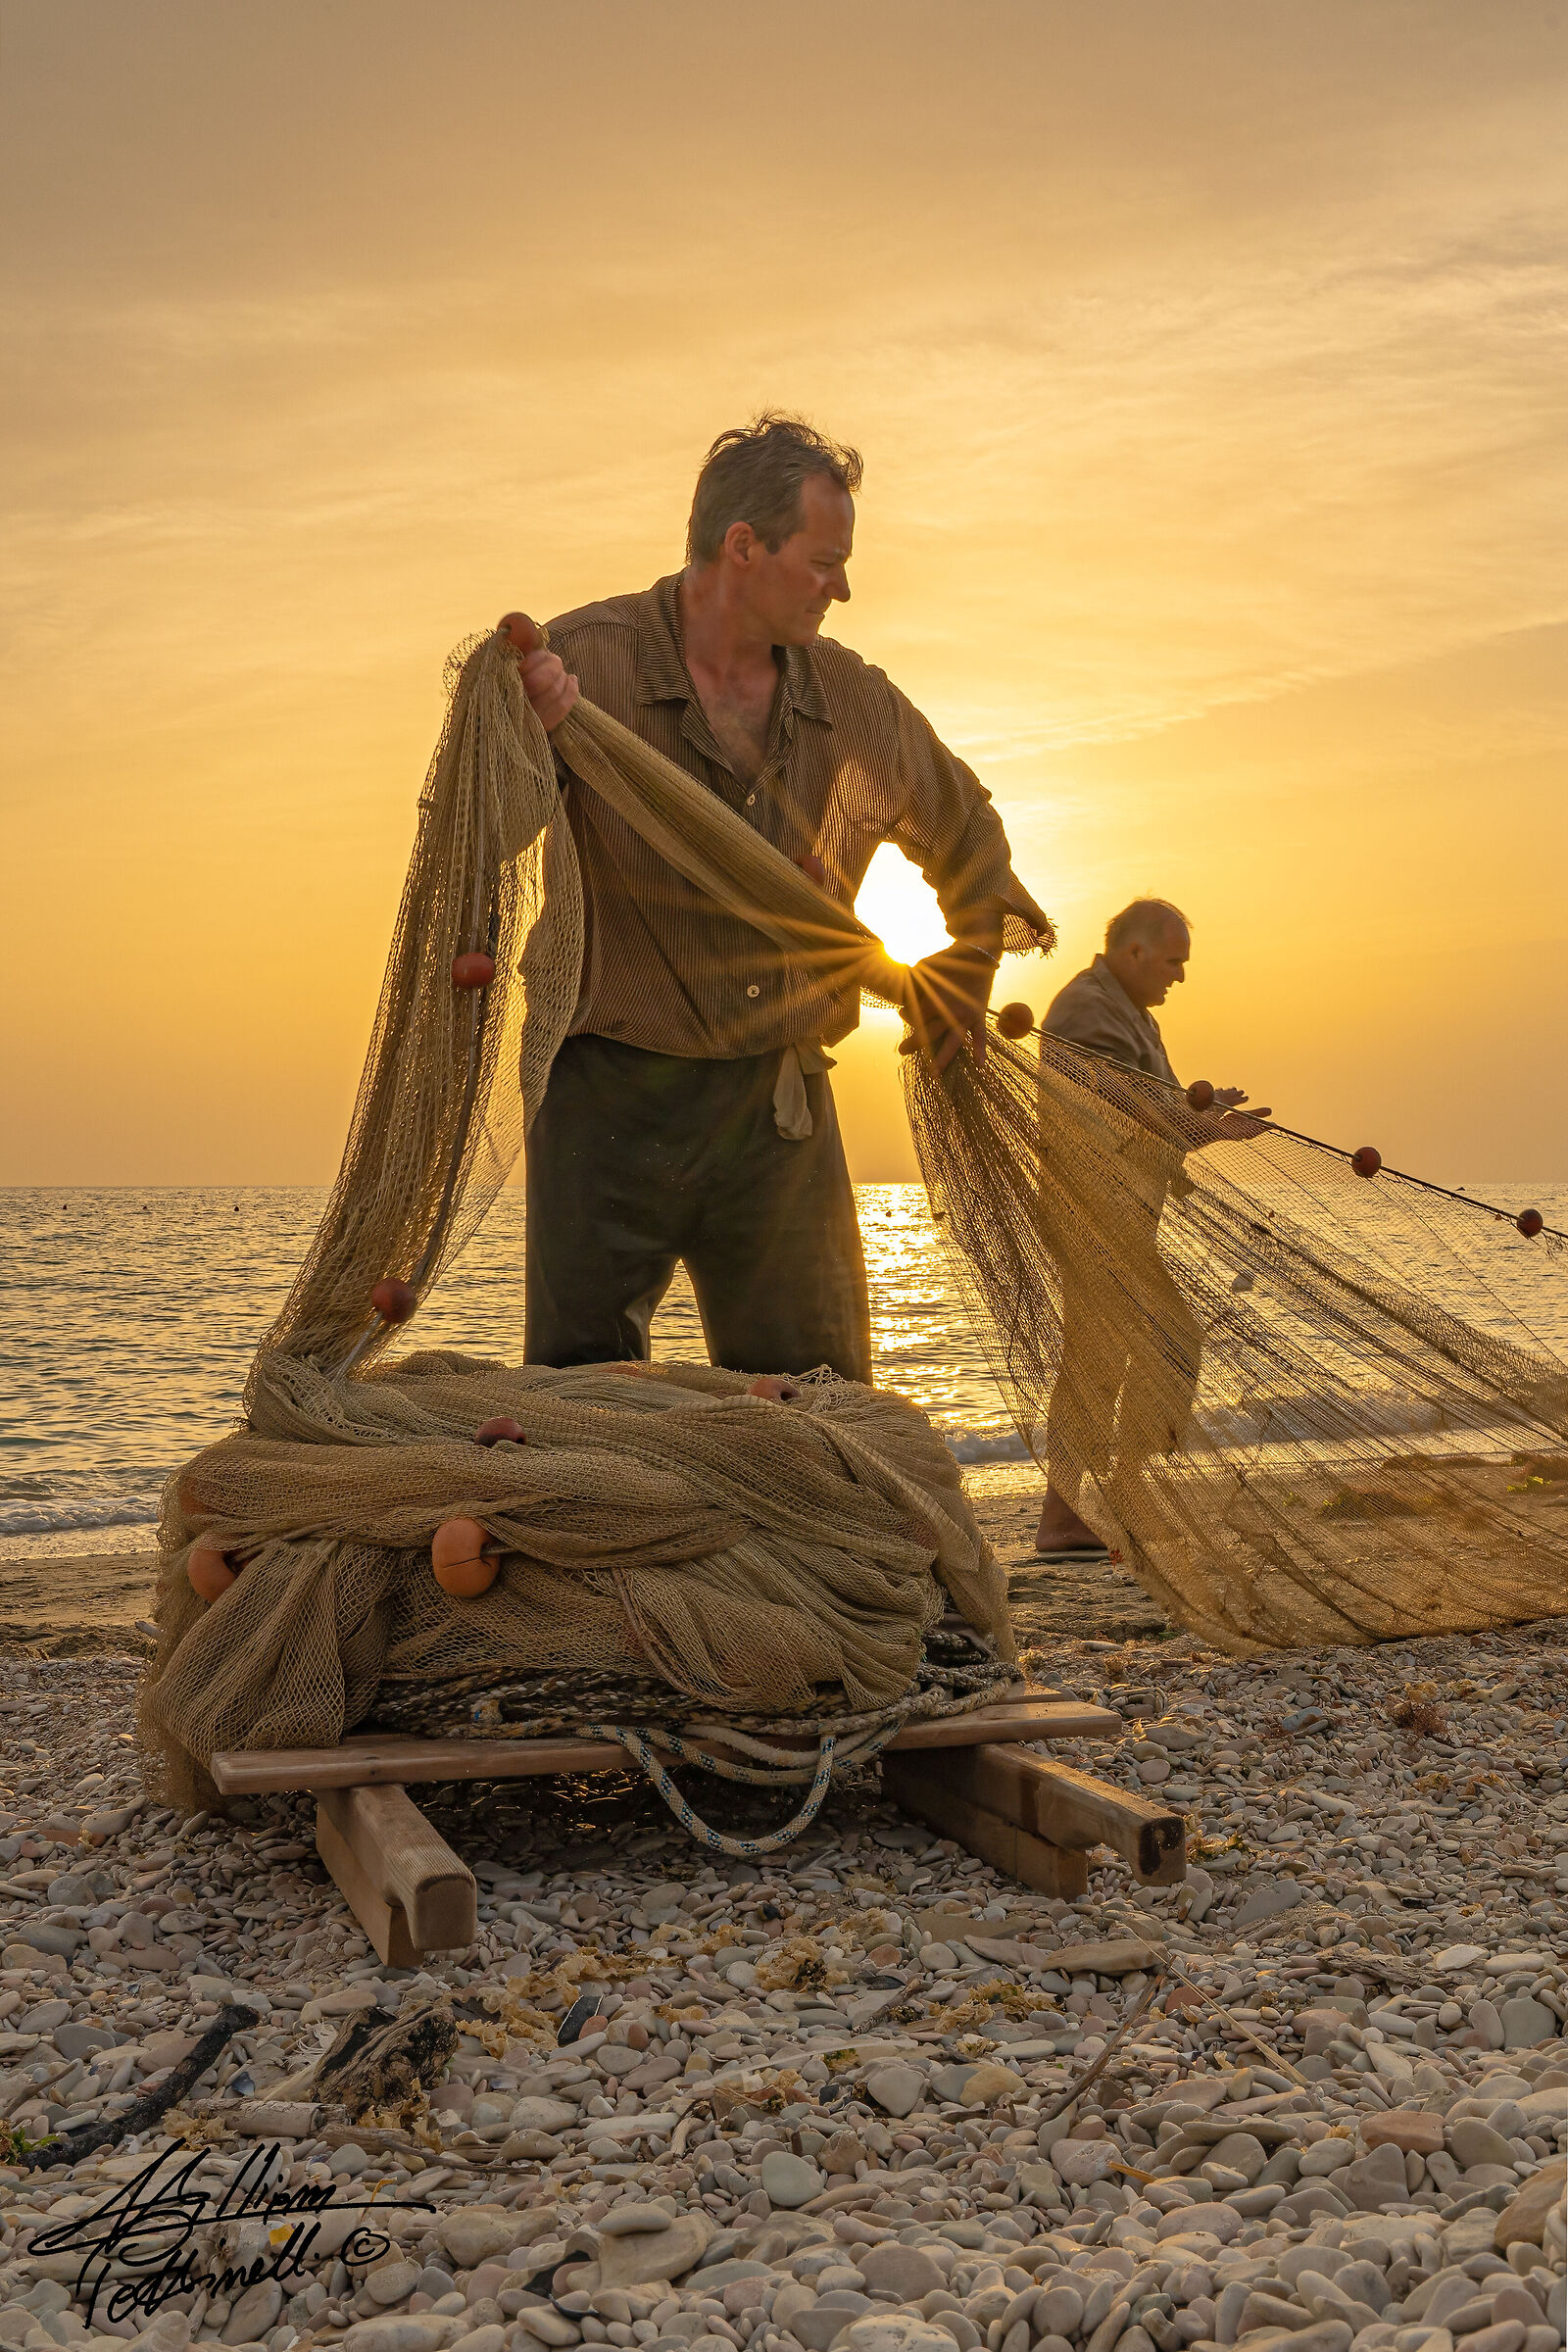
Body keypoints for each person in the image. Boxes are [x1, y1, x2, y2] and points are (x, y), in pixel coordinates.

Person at [507, 414, 1051, 1380]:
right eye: (823, 561)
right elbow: (489, 826)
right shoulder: (581, 664)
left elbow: (967, 829)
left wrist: (967, 967)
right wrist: (519, 724)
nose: (842, 586)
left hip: (776, 1110)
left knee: (826, 1407)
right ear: (743, 548)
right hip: (604, 1100)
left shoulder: (853, 704)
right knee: (579, 1414)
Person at [1032, 899, 1268, 1559]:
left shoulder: (1133, 1015)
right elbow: (1127, 1113)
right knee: (1117, 1351)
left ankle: (1116, 1494)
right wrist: (1204, 1126)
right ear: (1133, 952)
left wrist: (1207, 1114)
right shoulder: (1087, 1011)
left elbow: (1155, 1115)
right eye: (1173, 962)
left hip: (1122, 1215)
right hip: (1088, 1212)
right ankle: (1076, 1512)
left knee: (1136, 1348)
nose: (1180, 977)